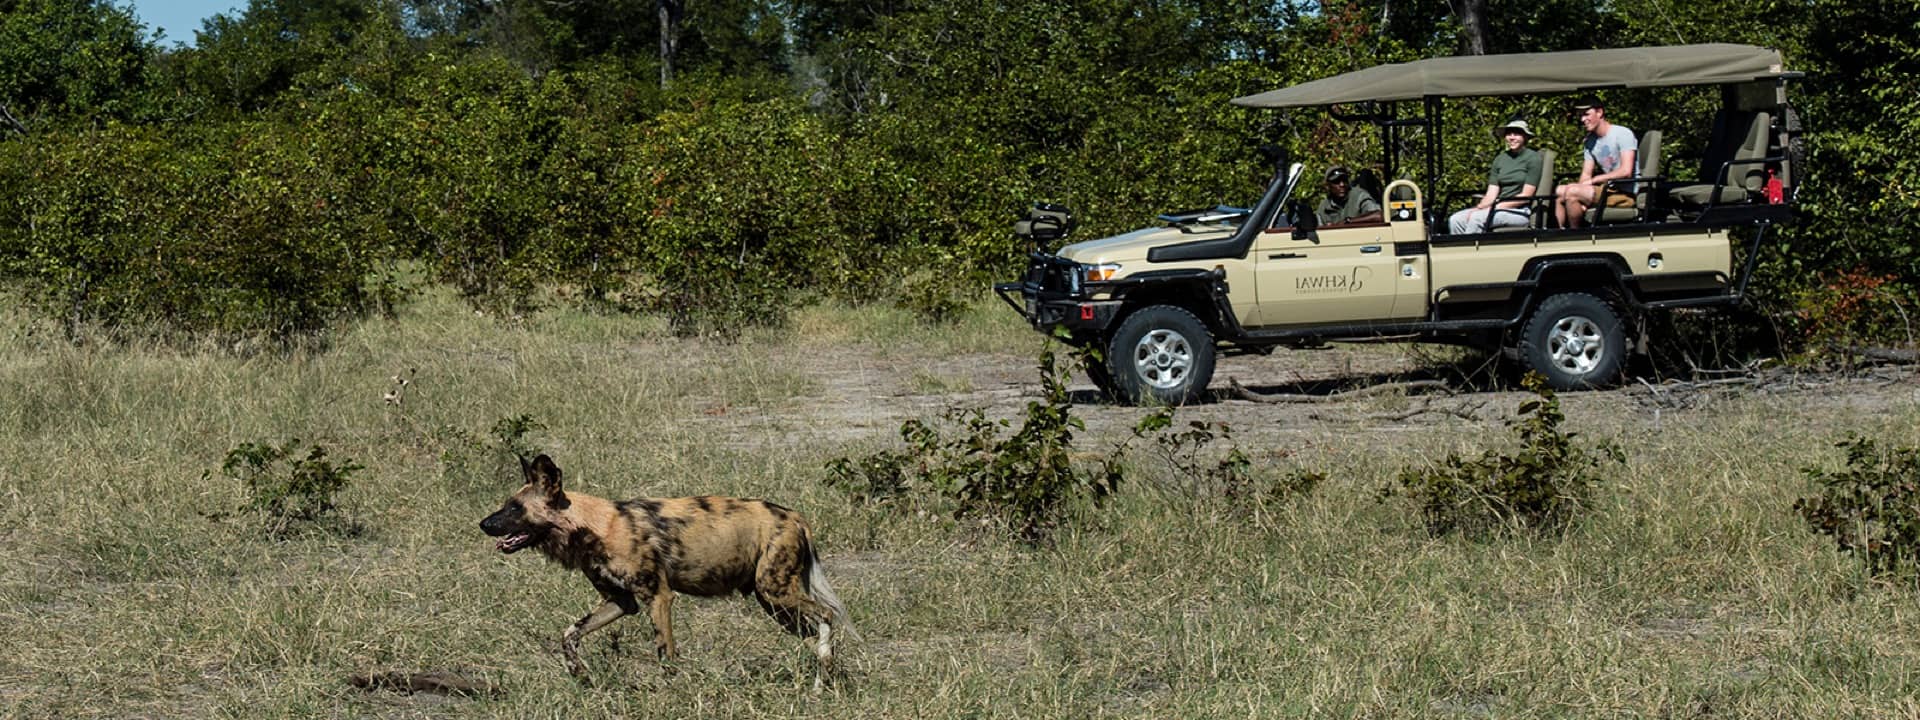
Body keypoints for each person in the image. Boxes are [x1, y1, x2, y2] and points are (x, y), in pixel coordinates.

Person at [1554, 96, 1638, 229]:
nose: (1583, 120)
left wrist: (1596, 179)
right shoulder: (1590, 142)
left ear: (1599, 113)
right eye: (1580, 116)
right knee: (1560, 191)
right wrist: (1579, 188)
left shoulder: (1622, 134)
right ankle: (1560, 232)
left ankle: (1576, 235)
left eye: (1586, 114)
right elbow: (1586, 175)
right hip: (1606, 190)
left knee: (1572, 192)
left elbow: (1626, 171)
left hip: (1625, 194)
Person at [1449, 120, 1544, 234]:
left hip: (1519, 211)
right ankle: (1459, 250)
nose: (1512, 137)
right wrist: (1480, 208)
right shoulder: (1500, 159)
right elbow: (1491, 194)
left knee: (1477, 218)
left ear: (1525, 137)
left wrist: (1496, 207)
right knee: (1456, 219)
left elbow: (1526, 195)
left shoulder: (1533, 158)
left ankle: (1472, 250)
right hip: (1497, 208)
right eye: (1509, 134)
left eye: (1516, 134)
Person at [1315, 165, 1381, 225]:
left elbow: (1378, 216)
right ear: (1328, 186)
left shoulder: (1359, 196)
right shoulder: (1323, 207)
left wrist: (1349, 221)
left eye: (1344, 180)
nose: (1342, 184)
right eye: (1336, 181)